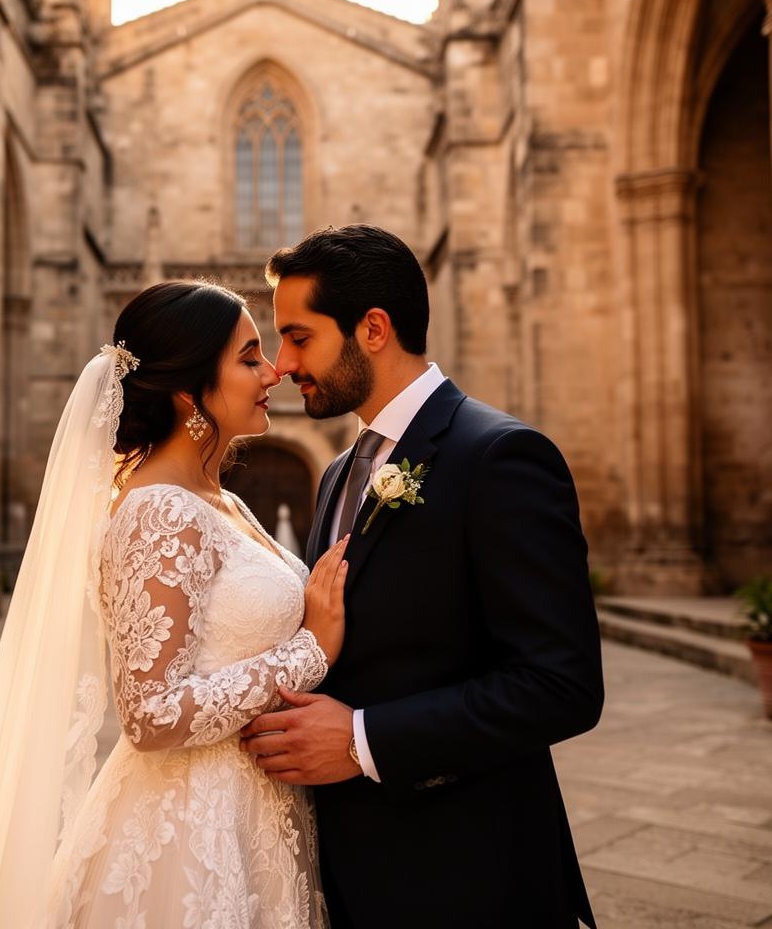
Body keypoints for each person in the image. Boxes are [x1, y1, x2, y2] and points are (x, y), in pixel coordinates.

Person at [0, 281, 347, 928]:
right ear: (187, 390)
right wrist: (310, 651)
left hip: (256, 815)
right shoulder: (157, 512)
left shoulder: (219, 500)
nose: (273, 372)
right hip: (186, 833)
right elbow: (151, 716)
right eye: (249, 356)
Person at [239, 225, 604, 928]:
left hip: (469, 875)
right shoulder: (341, 473)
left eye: (299, 336)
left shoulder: (500, 457)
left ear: (373, 328)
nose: (283, 364)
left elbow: (562, 686)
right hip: (347, 873)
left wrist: (363, 739)